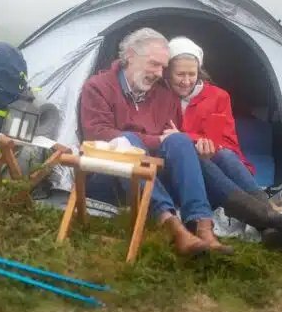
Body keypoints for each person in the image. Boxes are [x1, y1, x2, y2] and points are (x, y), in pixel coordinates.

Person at [78, 27, 233, 256]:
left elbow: (170, 144)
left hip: (152, 181)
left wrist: (167, 142)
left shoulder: (164, 96)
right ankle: (172, 226)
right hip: (108, 175)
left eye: (163, 66)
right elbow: (99, 135)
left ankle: (202, 227)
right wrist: (153, 140)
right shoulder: (98, 87)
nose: (161, 73)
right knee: (126, 140)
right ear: (130, 56)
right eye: (154, 64)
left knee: (179, 140)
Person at [164, 36, 282, 249]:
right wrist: (193, 142)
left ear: (199, 71)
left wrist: (209, 147)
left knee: (226, 155)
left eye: (191, 74)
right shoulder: (160, 97)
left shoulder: (218, 97)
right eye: (179, 74)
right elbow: (164, 137)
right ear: (167, 73)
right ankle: (271, 221)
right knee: (198, 161)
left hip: (218, 162)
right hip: (181, 169)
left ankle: (269, 226)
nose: (186, 80)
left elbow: (228, 142)